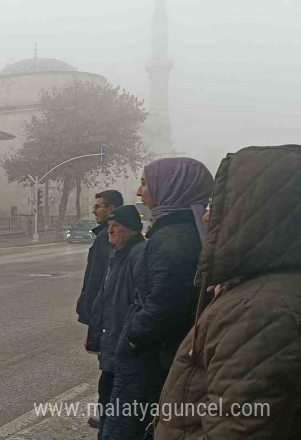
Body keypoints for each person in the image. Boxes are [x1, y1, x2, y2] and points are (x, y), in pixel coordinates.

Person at [156, 145, 301, 439]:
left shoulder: (259, 311)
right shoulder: (265, 292)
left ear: (255, 214)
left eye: (219, 206)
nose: (208, 218)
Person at [101, 158, 214, 440]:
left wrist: (134, 337)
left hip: (153, 362)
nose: (140, 192)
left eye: (144, 183)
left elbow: (165, 304)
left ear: (171, 187)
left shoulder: (173, 240)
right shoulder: (182, 232)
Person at [85, 206, 146, 438]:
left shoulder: (138, 254)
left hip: (124, 346)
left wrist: (130, 339)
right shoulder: (116, 255)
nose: (109, 231)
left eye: (116, 227)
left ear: (130, 230)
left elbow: (140, 303)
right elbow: (105, 302)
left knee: (117, 407)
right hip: (113, 344)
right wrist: (94, 338)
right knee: (107, 397)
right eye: (109, 226)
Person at [77, 190, 123, 428]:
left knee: (108, 365)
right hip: (103, 312)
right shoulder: (106, 235)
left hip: (104, 314)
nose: (94, 210)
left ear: (111, 209)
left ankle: (108, 414)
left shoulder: (107, 236)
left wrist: (91, 317)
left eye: (98, 206)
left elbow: (98, 281)